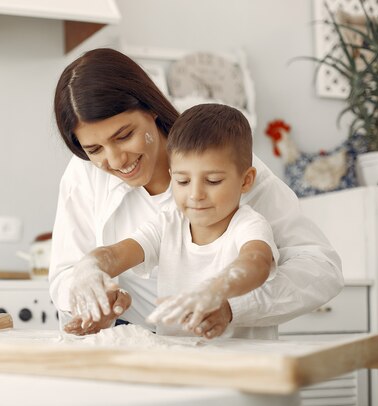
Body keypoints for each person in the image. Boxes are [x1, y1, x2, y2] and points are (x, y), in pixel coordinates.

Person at [49, 47, 343, 337]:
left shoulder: (227, 168)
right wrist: (92, 291)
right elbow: (77, 270)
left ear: (150, 106)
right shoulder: (91, 177)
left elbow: (318, 267)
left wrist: (230, 304)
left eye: (124, 135)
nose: (115, 161)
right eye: (94, 149)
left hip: (227, 348)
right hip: (140, 341)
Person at [69, 103, 278, 339]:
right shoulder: (167, 225)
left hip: (245, 369)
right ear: (172, 177)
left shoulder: (249, 225)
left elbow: (256, 262)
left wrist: (215, 290)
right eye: (183, 181)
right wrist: (90, 268)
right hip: (179, 364)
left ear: (246, 180)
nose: (195, 194)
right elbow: (116, 254)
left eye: (213, 180)